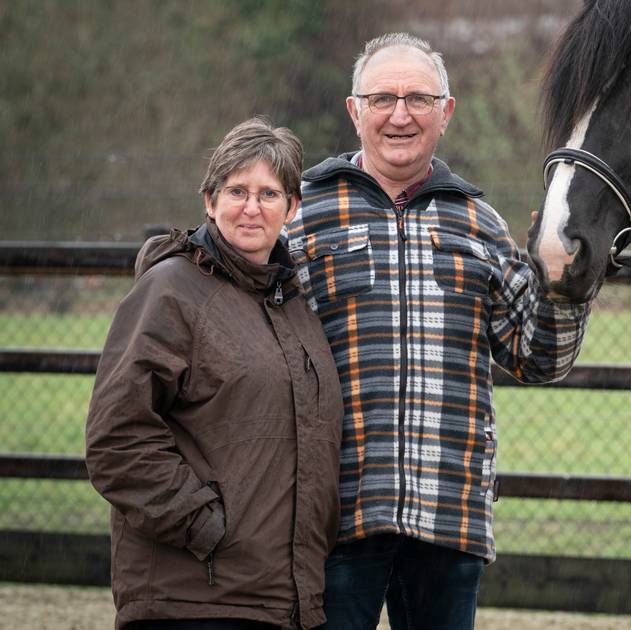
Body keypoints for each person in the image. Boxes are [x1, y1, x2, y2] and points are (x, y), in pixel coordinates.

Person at [285, 33, 590, 630]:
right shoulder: (302, 214)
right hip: (333, 514)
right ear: (355, 110)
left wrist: (563, 285)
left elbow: (540, 358)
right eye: (383, 98)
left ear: (445, 113)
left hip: (448, 514)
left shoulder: (480, 222)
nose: (400, 114)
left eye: (419, 99)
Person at [85, 117, 344, 630]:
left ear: (292, 207)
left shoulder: (292, 305)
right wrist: (204, 526)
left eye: (269, 194)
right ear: (209, 199)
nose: (252, 207)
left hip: (282, 601)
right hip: (193, 597)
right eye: (237, 190)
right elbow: (117, 437)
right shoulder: (171, 291)